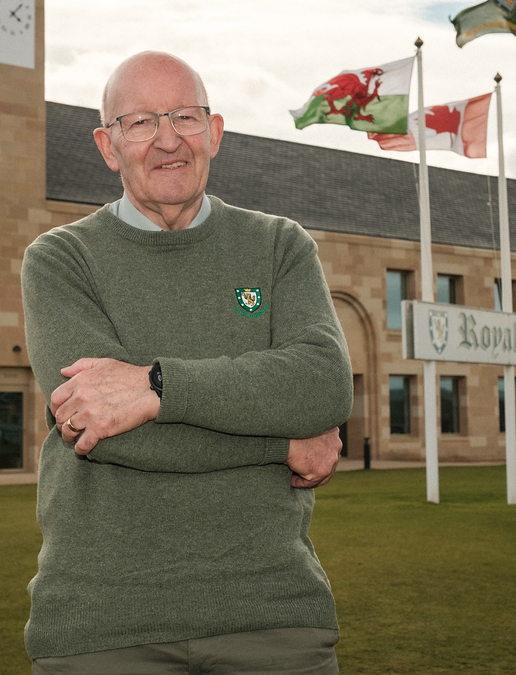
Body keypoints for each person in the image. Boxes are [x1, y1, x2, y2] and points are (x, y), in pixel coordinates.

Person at [21, 50, 353, 673]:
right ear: (107, 145)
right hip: (105, 626)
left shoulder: (280, 245)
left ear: (216, 132)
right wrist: (281, 444)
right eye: (141, 122)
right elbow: (105, 433)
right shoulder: (61, 260)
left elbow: (324, 385)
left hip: (273, 616)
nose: (168, 140)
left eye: (185, 117)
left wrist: (155, 386)